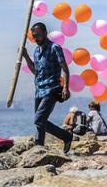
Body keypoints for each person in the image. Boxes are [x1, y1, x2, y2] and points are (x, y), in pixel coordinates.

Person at [21, 22, 73, 153]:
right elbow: (35, 71)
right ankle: (66, 136)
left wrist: (65, 87)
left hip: (52, 89)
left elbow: (65, 69)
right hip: (39, 90)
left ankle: (38, 148)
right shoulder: (36, 51)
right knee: (41, 122)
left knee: (39, 120)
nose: (36, 39)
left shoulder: (55, 48)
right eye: (33, 36)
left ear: (45, 33)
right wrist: (26, 56)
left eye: (38, 35)